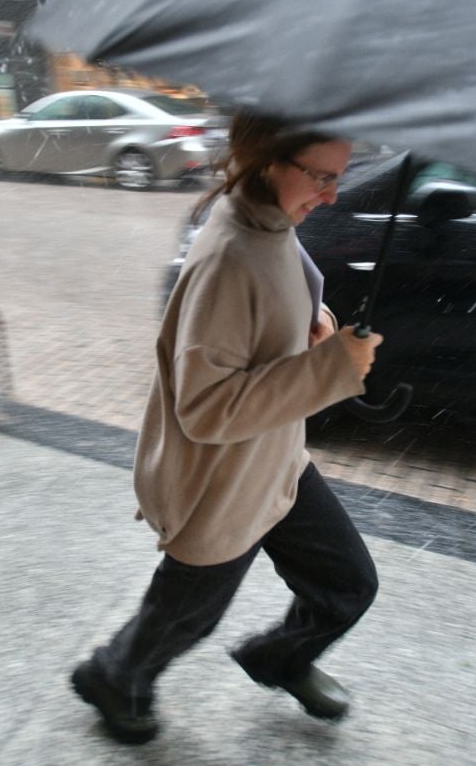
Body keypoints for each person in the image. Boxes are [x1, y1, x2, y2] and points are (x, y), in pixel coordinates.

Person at [71, 112, 385, 744]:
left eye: (338, 180)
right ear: (270, 158)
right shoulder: (231, 256)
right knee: (186, 617)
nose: (330, 196)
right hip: (223, 479)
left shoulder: (269, 218)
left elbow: (277, 306)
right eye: (320, 177)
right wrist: (331, 370)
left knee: (347, 583)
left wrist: (315, 324)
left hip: (276, 460)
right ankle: (113, 675)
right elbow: (205, 407)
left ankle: (280, 657)